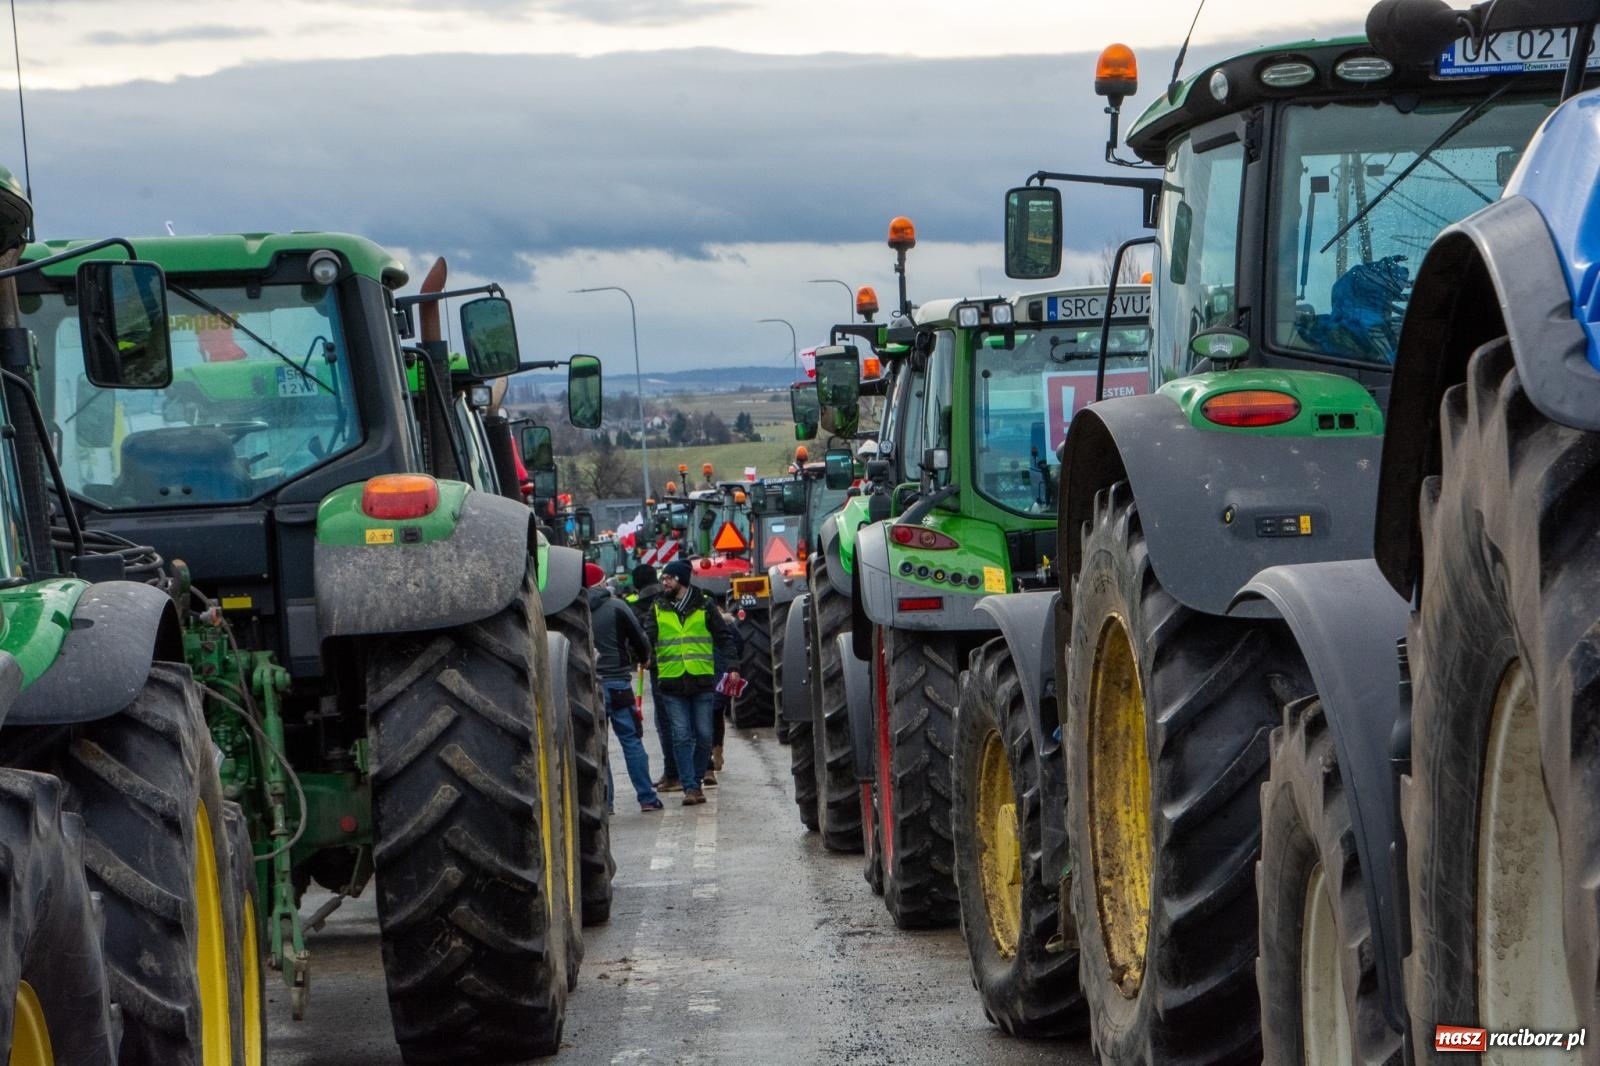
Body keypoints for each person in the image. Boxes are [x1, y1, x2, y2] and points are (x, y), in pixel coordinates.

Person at [642, 559, 740, 806]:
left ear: (681, 581)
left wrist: (733, 667)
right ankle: (690, 787)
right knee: (682, 735)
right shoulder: (657, 608)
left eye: (669, 578)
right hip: (672, 681)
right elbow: (646, 639)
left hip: (700, 680)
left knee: (705, 735)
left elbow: (724, 638)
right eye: (663, 578)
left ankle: (695, 779)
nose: (664, 582)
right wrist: (645, 657)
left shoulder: (705, 607)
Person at [585, 563, 661, 812]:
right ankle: (647, 798)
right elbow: (639, 637)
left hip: (588, 686)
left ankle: (605, 803)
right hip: (618, 684)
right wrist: (644, 657)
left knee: (598, 747)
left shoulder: (575, 610)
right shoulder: (617, 607)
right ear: (602, 582)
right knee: (631, 741)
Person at [627, 563, 679, 792]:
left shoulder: (637, 608)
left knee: (666, 724)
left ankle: (673, 774)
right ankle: (697, 770)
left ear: (637, 584)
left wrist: (641, 658)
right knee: (685, 722)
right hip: (686, 666)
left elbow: (638, 642)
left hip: (660, 671)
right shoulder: (674, 598)